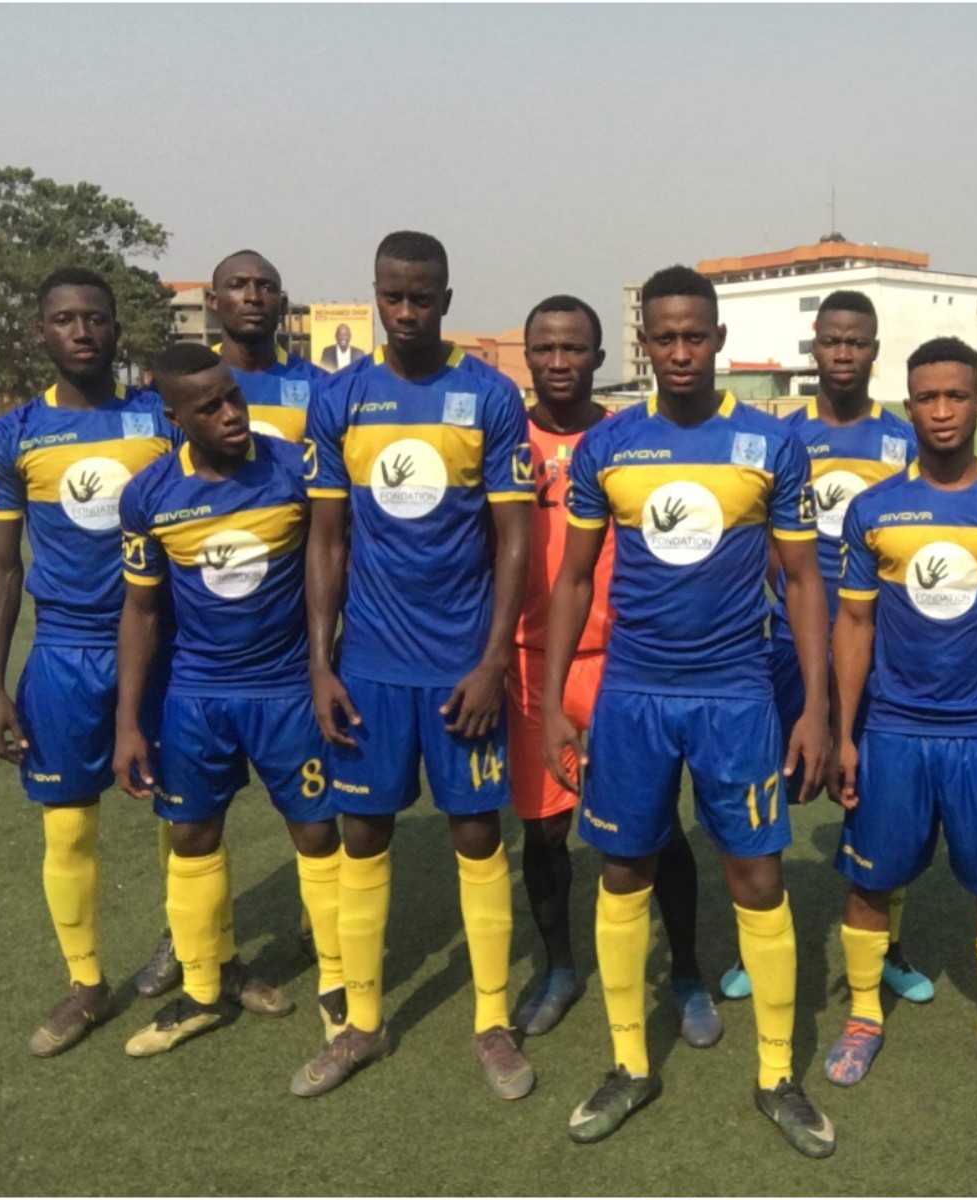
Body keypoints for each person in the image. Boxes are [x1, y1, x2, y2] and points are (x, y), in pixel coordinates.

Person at [543, 265, 835, 1156]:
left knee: (759, 879)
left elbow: (802, 580)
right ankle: (630, 1065)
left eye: (694, 336)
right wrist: (555, 705)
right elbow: (574, 578)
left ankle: (777, 1076)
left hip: (737, 694)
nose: (680, 351)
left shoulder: (771, 445)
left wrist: (816, 708)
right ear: (646, 344)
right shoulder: (609, 447)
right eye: (664, 337)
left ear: (717, 340)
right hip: (633, 694)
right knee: (623, 869)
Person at [295, 231, 534, 1099]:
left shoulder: (489, 396)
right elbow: (327, 541)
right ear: (374, 296)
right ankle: (362, 1022)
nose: (406, 311)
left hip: (461, 665)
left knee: (477, 833)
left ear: (446, 299)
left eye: (422, 297)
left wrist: (493, 662)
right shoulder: (341, 398)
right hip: (369, 666)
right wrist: (321, 664)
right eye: (392, 296)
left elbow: (515, 541)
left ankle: (492, 1021)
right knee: (364, 834)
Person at [822, 337, 977, 1097]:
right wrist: (843, 735)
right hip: (892, 732)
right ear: (909, 407)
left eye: (956, 396)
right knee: (870, 883)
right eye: (927, 397)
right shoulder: (873, 509)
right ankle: (865, 1014)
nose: (942, 411)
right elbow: (853, 624)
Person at [114, 344, 341, 1055]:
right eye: (208, 406)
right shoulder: (148, 495)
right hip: (197, 696)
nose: (230, 413)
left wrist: (325, 665)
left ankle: (340, 986)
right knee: (191, 838)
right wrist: (128, 721)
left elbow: (333, 566)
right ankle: (204, 992)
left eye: (233, 397)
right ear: (174, 417)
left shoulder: (296, 470)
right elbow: (141, 612)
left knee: (316, 834)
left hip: (286, 691)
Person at [507, 294, 719, 1046]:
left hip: (628, 661)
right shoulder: (505, 438)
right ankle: (560, 967)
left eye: (574, 349)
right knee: (543, 832)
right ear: (527, 357)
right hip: (535, 661)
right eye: (544, 349)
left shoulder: (632, 438)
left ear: (601, 358)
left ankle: (686, 972)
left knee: (654, 830)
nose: (559, 362)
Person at [0, 267, 177, 1055]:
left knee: (183, 813)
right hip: (65, 652)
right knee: (67, 826)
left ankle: (196, 953)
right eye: (64, 319)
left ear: (117, 329)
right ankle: (87, 983)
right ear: (42, 332)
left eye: (95, 317)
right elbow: (1, 567)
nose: (82, 331)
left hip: (163, 646)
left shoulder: (160, 417)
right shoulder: (12, 435)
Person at [720, 290, 929, 1006]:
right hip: (792, 643)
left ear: (875, 351)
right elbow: (763, 538)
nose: (844, 354)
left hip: (881, 649)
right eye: (832, 341)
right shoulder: (782, 437)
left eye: (857, 342)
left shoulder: (902, 441)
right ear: (814, 348)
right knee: (764, 787)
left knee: (877, 796)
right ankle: (758, 942)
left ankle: (886, 943)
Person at [209, 250, 329, 443]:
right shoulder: (187, 382)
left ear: (283, 305)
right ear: (213, 301)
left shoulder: (321, 386)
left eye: (266, 287)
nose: (253, 297)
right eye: (238, 285)